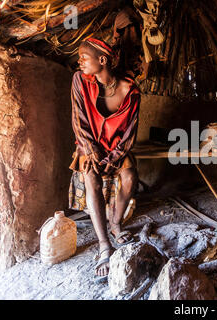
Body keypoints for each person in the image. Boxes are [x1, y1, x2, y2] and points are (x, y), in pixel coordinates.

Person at [69, 38, 140, 282]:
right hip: (89, 147)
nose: (79, 61)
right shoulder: (80, 80)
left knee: (131, 178)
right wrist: (91, 152)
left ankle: (116, 224)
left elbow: (131, 131)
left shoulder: (130, 91)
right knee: (92, 179)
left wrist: (115, 156)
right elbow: (79, 120)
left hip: (117, 148)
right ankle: (104, 245)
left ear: (102, 60)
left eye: (83, 57)